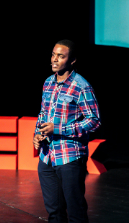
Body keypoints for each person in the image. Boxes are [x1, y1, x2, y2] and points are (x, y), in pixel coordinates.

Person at [33, 39, 101, 223]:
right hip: (47, 157)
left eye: (61, 56)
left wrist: (59, 129)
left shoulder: (81, 86)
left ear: (72, 61)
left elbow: (94, 121)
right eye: (53, 55)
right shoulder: (48, 82)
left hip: (70, 157)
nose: (54, 60)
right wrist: (36, 134)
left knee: (76, 212)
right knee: (54, 213)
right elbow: (43, 113)